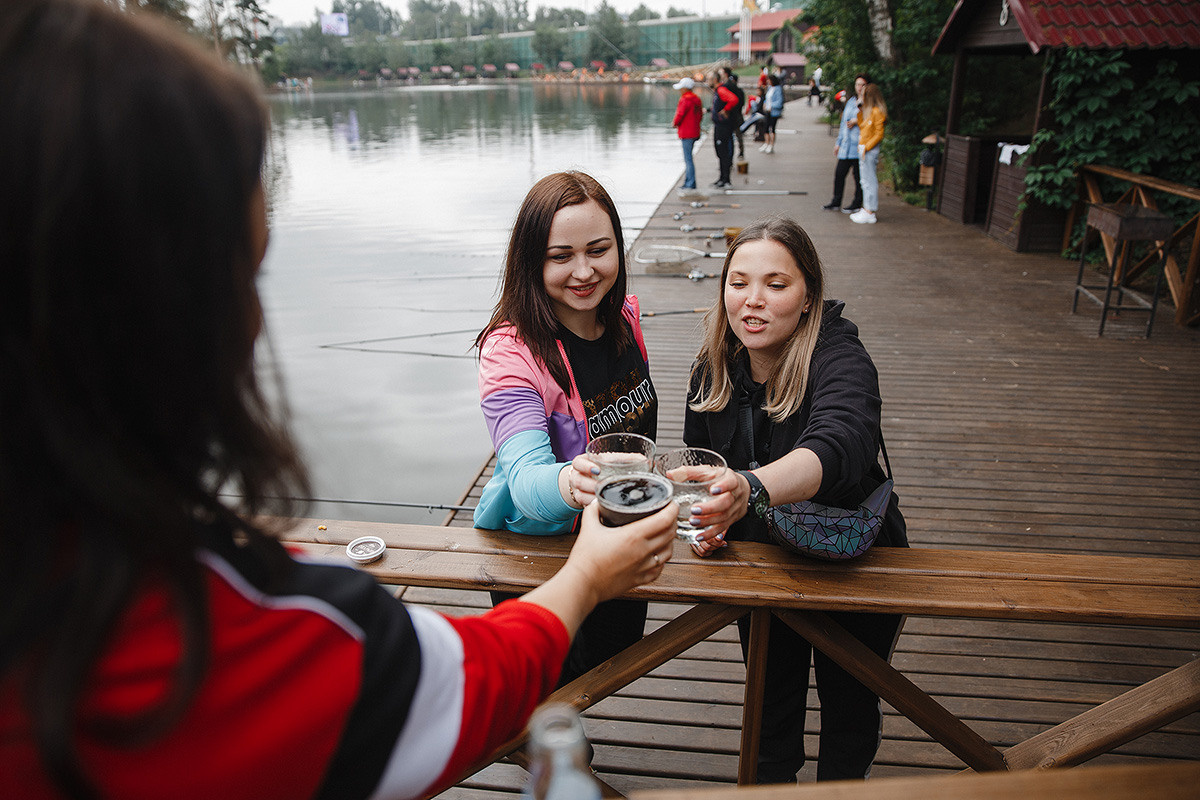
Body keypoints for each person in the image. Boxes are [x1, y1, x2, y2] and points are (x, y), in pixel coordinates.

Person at [0, 2, 679, 798]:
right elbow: (458, 682)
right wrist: (587, 571)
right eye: (245, 275)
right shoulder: (277, 633)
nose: (256, 325)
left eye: (600, 249)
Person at [680, 217, 908, 784]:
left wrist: (751, 487)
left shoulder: (840, 355)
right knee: (768, 706)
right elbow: (701, 465)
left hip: (855, 559)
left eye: (776, 284)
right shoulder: (712, 368)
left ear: (809, 296)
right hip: (764, 563)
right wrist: (709, 521)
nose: (752, 300)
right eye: (738, 283)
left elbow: (841, 442)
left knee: (850, 706)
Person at [474, 171, 662, 687]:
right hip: (538, 556)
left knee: (615, 658)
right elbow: (525, 478)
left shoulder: (624, 318)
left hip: (618, 530)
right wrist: (575, 480)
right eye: (561, 257)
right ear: (531, 261)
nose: (584, 271)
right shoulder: (510, 354)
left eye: (599, 250)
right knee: (548, 692)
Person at [823, 74, 869, 214]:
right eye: (857, 84)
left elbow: (871, 122)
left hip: (859, 146)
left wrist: (857, 121)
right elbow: (844, 124)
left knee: (858, 177)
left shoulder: (869, 103)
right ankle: (836, 201)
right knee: (839, 174)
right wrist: (838, 143)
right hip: (846, 146)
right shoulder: (851, 101)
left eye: (862, 84)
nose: (859, 88)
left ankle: (857, 203)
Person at [851, 83, 887, 225]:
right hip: (864, 149)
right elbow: (862, 126)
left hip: (869, 150)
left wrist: (866, 147)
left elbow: (879, 134)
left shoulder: (877, 112)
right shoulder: (868, 111)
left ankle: (870, 211)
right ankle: (866, 208)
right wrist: (860, 110)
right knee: (864, 181)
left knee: (869, 180)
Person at [706, 70, 739, 188]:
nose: (707, 81)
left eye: (708, 79)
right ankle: (722, 178)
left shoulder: (721, 90)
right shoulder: (717, 91)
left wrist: (726, 110)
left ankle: (726, 180)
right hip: (719, 125)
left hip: (723, 126)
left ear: (715, 80)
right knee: (720, 152)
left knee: (723, 153)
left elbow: (734, 99)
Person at [672, 76, 704, 196]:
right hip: (695, 132)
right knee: (689, 158)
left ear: (686, 88)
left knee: (688, 159)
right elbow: (700, 115)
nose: (680, 91)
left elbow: (680, 114)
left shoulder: (684, 99)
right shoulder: (697, 99)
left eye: (681, 88)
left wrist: (674, 123)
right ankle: (688, 182)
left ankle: (690, 184)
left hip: (686, 133)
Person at [719, 66, 747, 160]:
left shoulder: (729, 88)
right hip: (737, 116)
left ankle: (733, 155)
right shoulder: (738, 90)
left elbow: (737, 102)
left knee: (734, 137)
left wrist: (726, 109)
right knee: (737, 136)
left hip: (733, 117)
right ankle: (740, 153)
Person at [760, 74, 784, 154]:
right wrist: (765, 104)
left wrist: (771, 106)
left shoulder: (778, 89)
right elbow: (767, 98)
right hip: (767, 111)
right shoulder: (769, 88)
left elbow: (779, 101)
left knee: (772, 128)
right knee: (766, 127)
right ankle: (766, 143)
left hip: (774, 112)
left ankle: (771, 145)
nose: (768, 81)